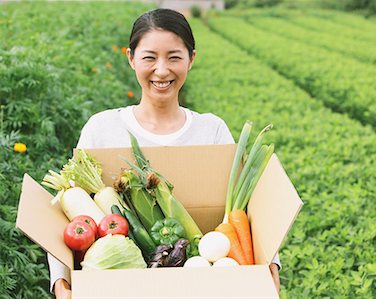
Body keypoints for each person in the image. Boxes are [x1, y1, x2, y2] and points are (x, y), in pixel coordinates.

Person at [49, 8, 281, 299]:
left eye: (174, 57)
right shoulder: (102, 129)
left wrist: (271, 263)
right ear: (131, 58)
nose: (161, 70)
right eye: (149, 57)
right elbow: (66, 220)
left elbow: (250, 213)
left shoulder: (212, 130)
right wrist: (60, 282)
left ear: (191, 59)